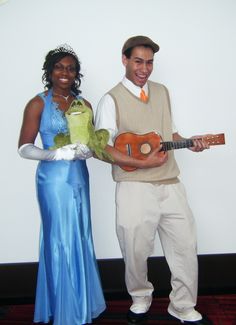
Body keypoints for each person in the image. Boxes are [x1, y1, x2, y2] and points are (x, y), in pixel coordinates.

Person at [95, 36, 213, 324]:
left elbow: (168, 134)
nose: (144, 68)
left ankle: (183, 306)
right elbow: (101, 148)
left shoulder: (162, 92)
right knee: (134, 248)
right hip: (133, 187)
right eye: (138, 61)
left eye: (149, 62)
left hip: (170, 183)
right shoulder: (110, 99)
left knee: (185, 246)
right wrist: (141, 162)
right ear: (124, 60)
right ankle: (139, 298)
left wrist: (189, 142)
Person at [18, 44, 106, 325]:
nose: (65, 73)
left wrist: (87, 151)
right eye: (59, 67)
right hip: (53, 180)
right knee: (59, 240)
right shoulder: (37, 103)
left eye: (70, 68)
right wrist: (55, 153)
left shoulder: (85, 105)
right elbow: (23, 148)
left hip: (79, 176)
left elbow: (92, 145)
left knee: (81, 236)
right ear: (50, 71)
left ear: (77, 73)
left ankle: (80, 303)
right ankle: (63, 308)